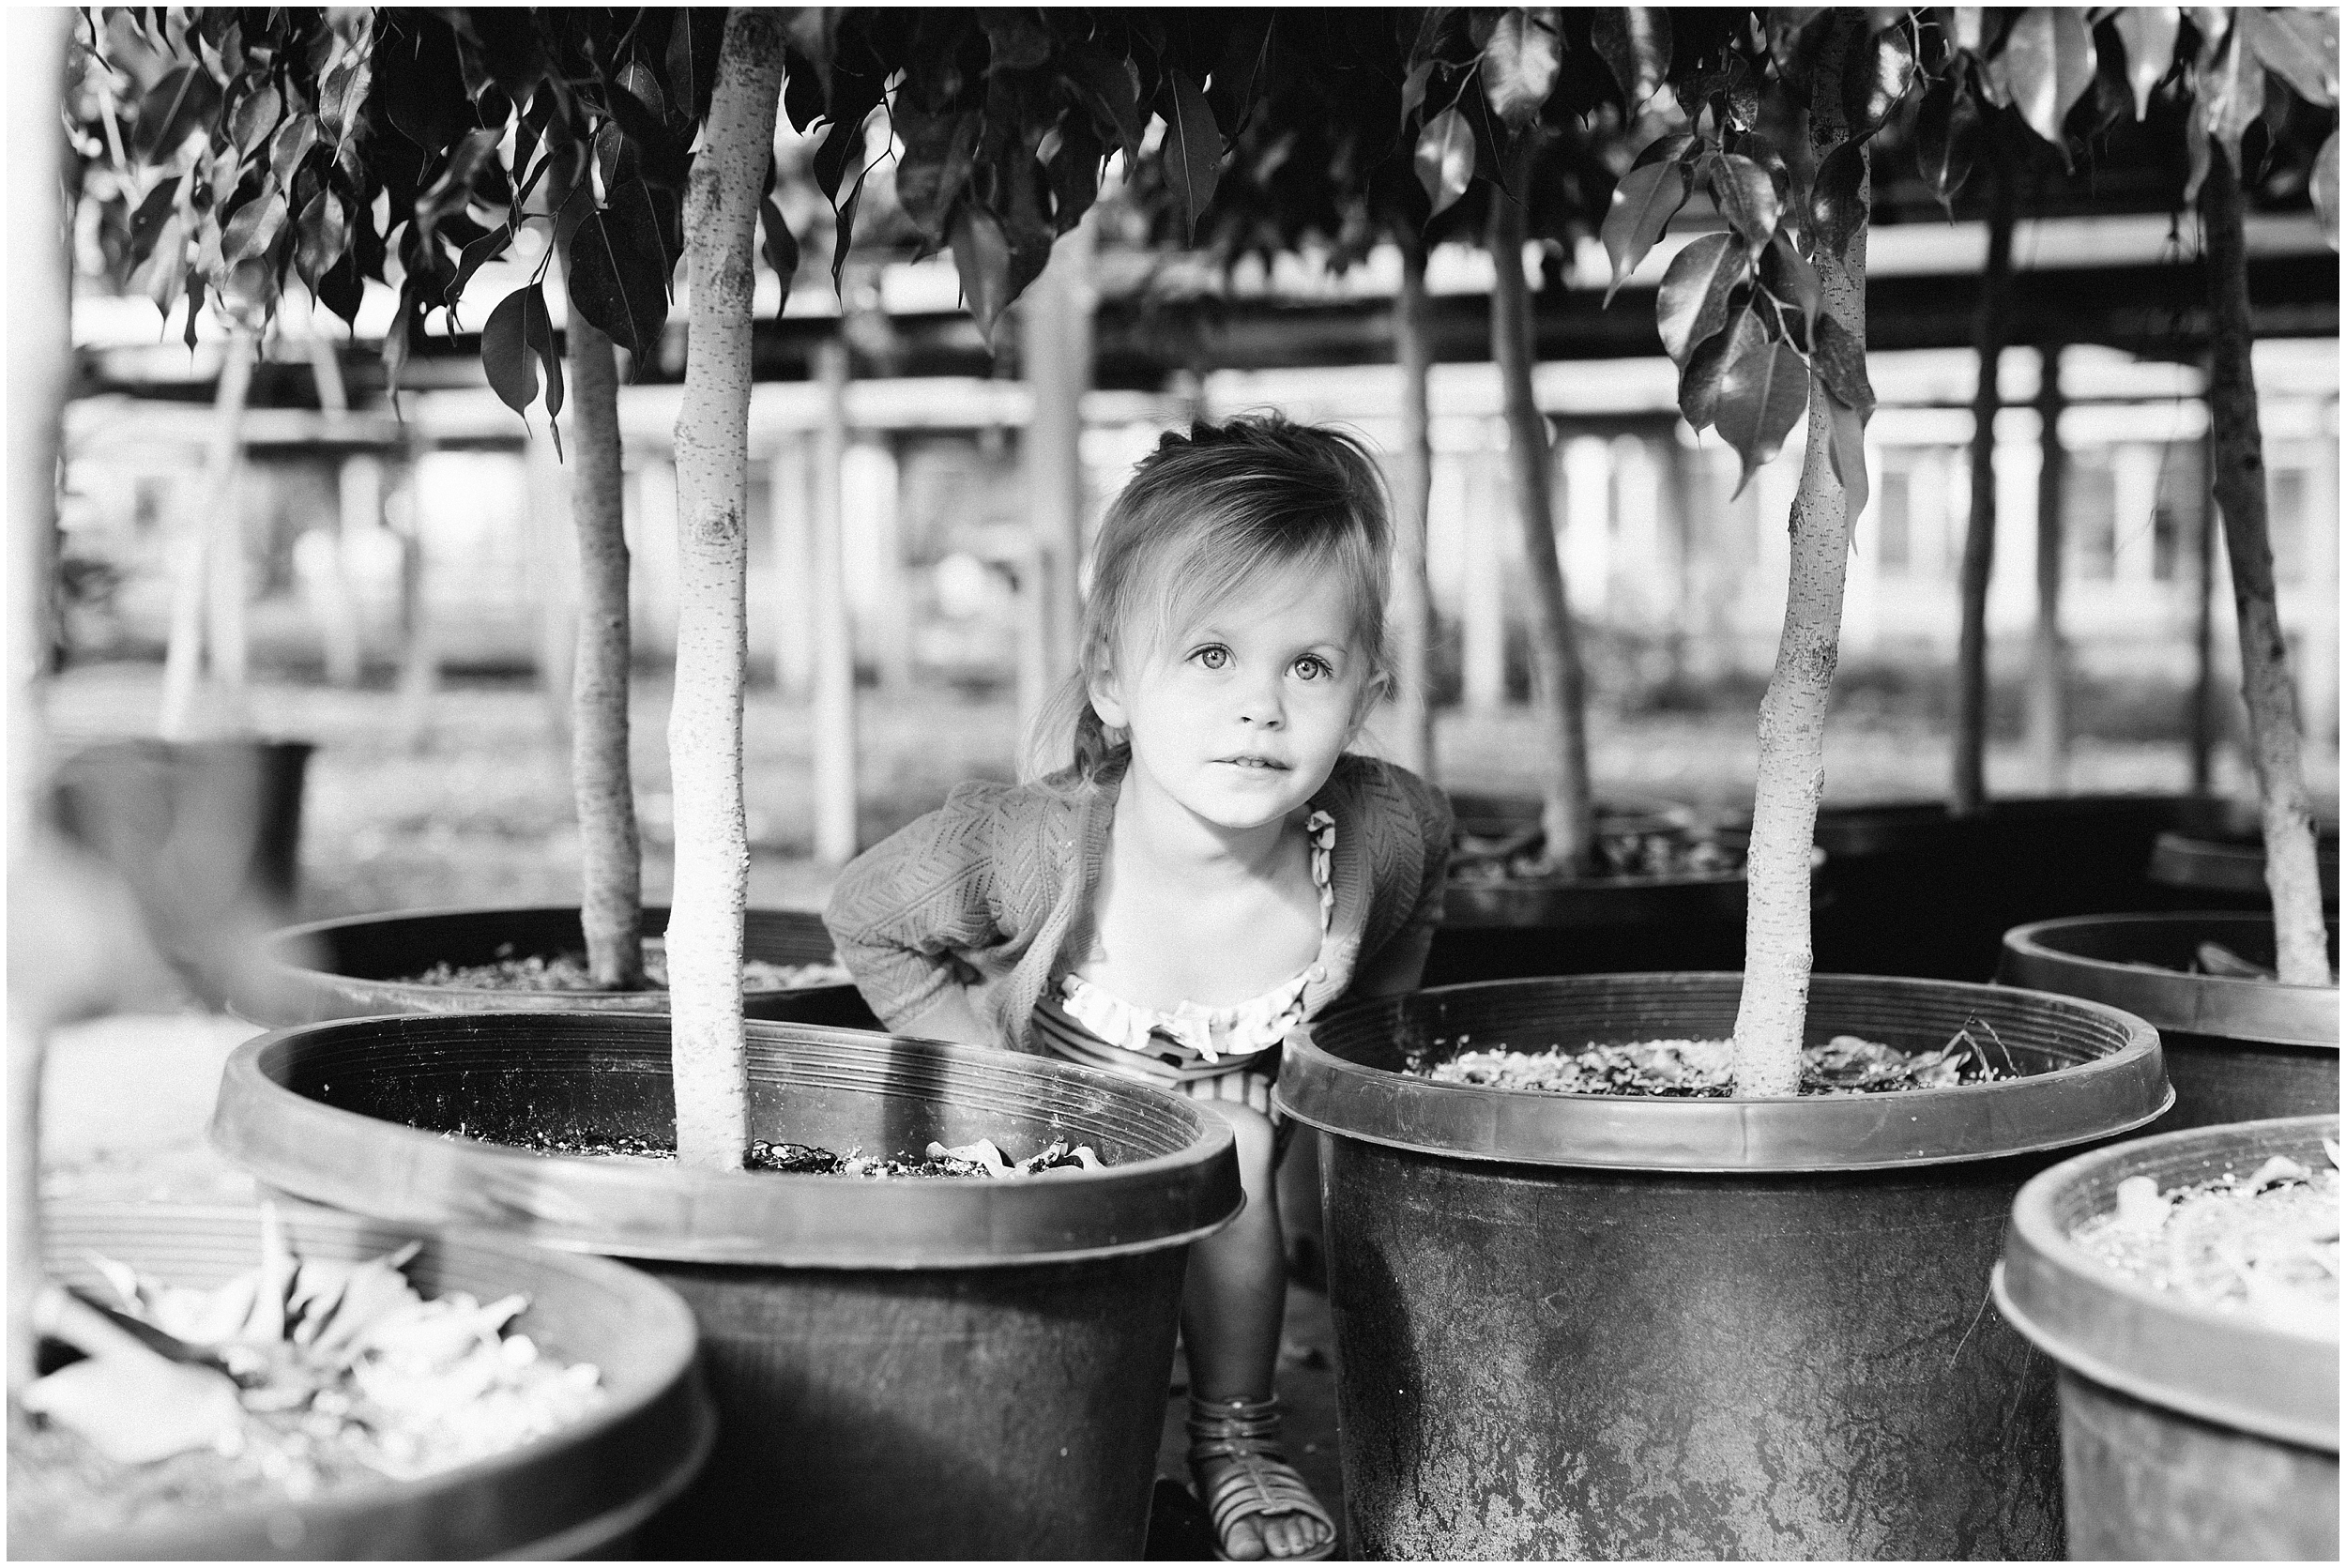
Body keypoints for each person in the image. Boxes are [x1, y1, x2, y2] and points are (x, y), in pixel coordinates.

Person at [825, 414, 1453, 1562]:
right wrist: (1001, 1085)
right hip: (1048, 1115)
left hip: (1237, 1127)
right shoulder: (1036, 850)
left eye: (1306, 665)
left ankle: (1236, 1436)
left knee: (1241, 1152)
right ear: (1114, 680)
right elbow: (865, 920)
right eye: (1211, 656)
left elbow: (1418, 906)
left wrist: (1336, 1073)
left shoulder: (1379, 835)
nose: (1260, 706)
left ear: (1363, 698)